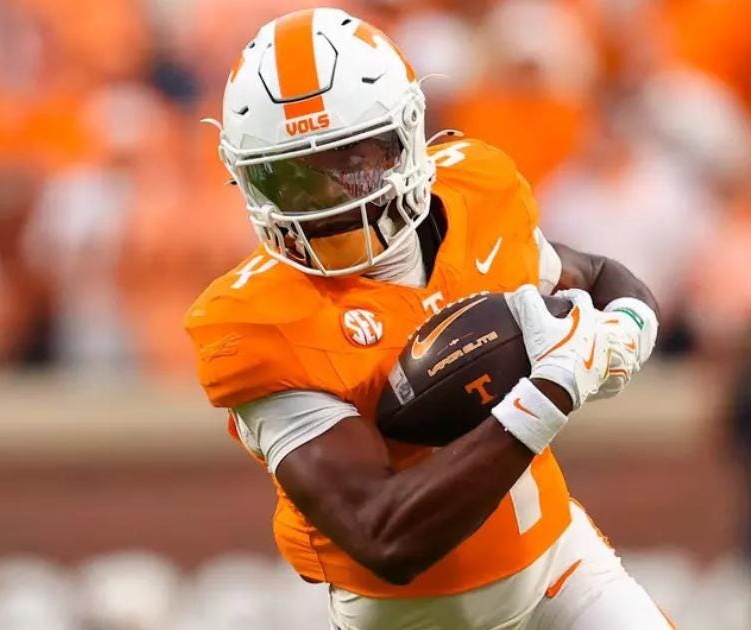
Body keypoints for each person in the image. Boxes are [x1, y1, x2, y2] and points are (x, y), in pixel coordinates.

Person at [184, 9, 667, 629]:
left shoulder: (473, 191)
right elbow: (385, 536)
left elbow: (595, 276)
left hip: (561, 569)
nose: (328, 201)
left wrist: (628, 326)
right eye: (291, 179)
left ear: (408, 135)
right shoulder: (254, 322)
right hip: (412, 619)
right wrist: (550, 389)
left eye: (352, 162)